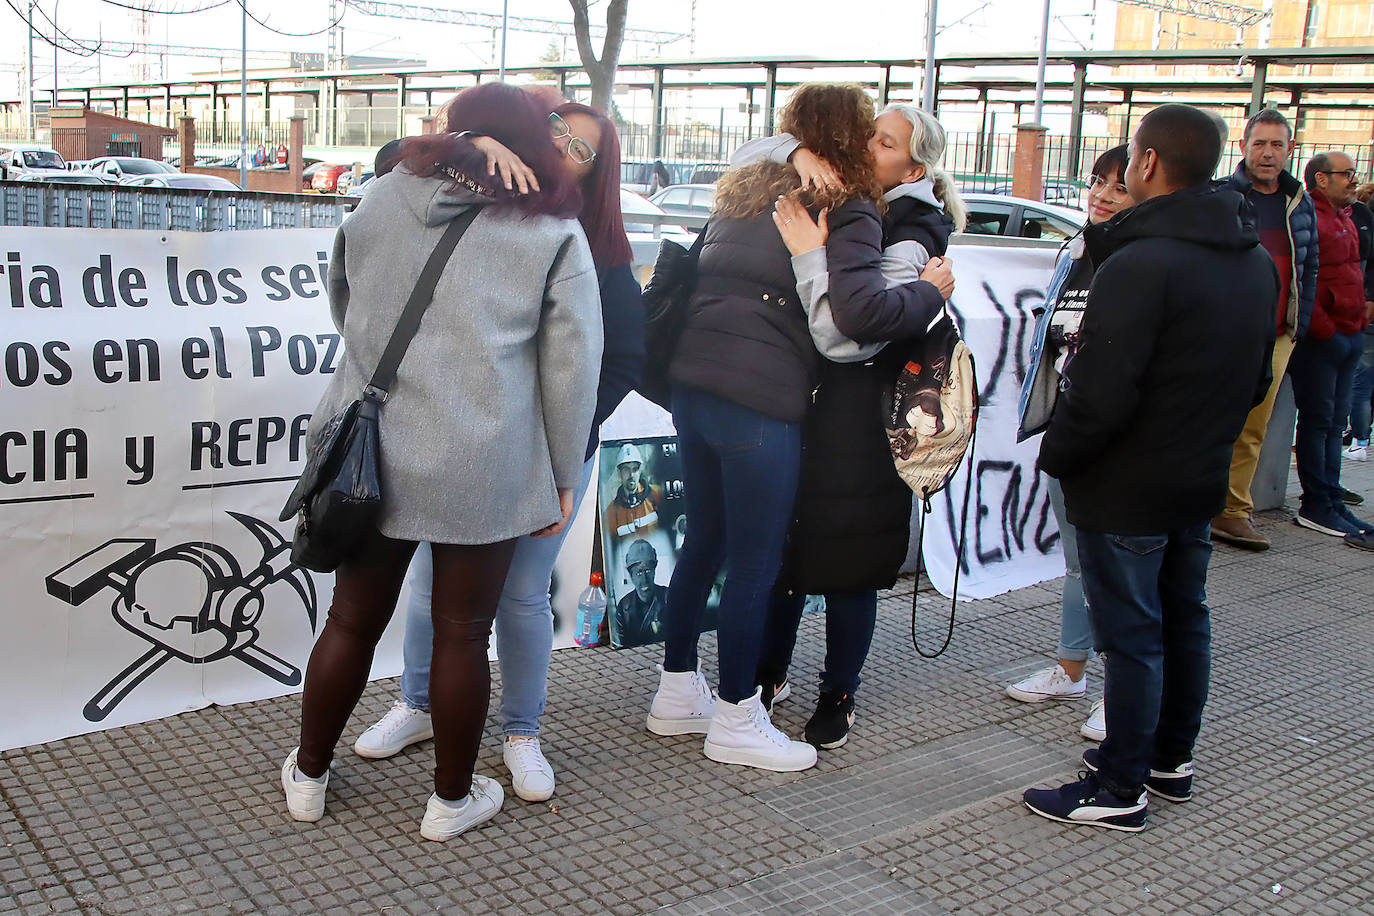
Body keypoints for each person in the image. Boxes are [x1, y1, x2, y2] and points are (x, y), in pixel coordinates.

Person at [280, 83, 604, 841]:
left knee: (352, 622)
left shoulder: (382, 196)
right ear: (532, 142)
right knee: (465, 633)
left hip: (374, 449)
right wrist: (561, 472)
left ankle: (310, 775)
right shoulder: (550, 230)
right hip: (482, 457)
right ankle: (449, 804)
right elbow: (571, 366)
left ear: (458, 132)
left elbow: (344, 298)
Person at [645, 84, 951, 772]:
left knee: (705, 544)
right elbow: (848, 336)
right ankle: (735, 718)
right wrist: (929, 292)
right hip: (759, 402)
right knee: (756, 565)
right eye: (869, 133)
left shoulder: (743, 190)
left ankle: (674, 694)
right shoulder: (846, 208)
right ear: (848, 137)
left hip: (692, 387)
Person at [349, 99, 644, 805]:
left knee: (519, 595)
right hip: (464, 450)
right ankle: (418, 707)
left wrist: (553, 440)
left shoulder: (590, 247)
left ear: (600, 173)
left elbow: (620, 361)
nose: (565, 149)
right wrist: (466, 139)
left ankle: (521, 731)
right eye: (556, 135)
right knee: (429, 587)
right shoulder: (468, 201)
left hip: (547, 457)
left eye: (583, 147)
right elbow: (390, 159)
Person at [1021, 104, 1278, 832]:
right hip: (1195, 475)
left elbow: (1098, 395)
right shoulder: (1252, 261)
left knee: (1132, 635)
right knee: (1182, 622)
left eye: (1133, 155)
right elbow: (1257, 381)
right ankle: (1169, 761)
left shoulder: (1140, 264)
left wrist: (1060, 457)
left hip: (1127, 484)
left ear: (1149, 163)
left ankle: (1120, 785)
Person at [732, 103, 961, 750]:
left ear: (915, 164)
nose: (868, 145)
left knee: (850, 558)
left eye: (884, 142)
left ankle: (839, 691)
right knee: (787, 548)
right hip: (810, 402)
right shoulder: (850, 191)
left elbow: (852, 337)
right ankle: (767, 676)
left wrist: (811, 255)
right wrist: (797, 152)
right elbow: (746, 153)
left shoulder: (917, 227)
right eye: (868, 133)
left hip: (866, 417)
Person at [1006, 145, 1135, 744]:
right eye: (1097, 182)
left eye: (1119, 186)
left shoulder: (1141, 261)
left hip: (1119, 439)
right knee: (1081, 561)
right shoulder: (1078, 251)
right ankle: (1071, 668)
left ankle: (1125, 691)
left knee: (1121, 568)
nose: (1103, 195)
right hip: (1067, 425)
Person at [1211, 109, 1318, 551]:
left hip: (1276, 335)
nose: (1268, 153)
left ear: (1290, 150)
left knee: (1253, 427)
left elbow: (1308, 267)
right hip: (1223, 333)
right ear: (1243, 148)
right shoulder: (1221, 198)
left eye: (1277, 145)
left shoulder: (1299, 203)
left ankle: (1232, 512)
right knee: (1209, 419)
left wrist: (1298, 326)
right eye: (1259, 144)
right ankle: (1192, 502)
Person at [1288, 151, 1374, 546]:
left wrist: (1356, 323)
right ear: (1321, 179)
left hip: (1349, 334)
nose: (1353, 181)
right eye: (1346, 175)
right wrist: (1324, 330)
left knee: (1335, 423)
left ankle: (1332, 496)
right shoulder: (1313, 217)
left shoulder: (1347, 216)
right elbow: (1303, 276)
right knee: (1319, 421)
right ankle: (1316, 503)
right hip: (1325, 339)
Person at [1339, 182, 1374, 461]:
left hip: (1362, 312)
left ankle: (1360, 440)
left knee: (1360, 381)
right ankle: (1359, 437)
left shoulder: (1362, 216)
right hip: (1359, 311)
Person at [614, 539, 668, 646]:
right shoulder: (623, 608)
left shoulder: (669, 597)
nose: (644, 580)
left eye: (648, 571)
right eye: (639, 572)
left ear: (654, 570)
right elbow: (620, 645)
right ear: (631, 576)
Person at [605, 443, 663, 538]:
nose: (631, 475)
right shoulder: (611, 512)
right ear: (619, 474)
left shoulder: (657, 494)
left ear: (639, 472)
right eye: (626, 469)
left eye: (635, 469)